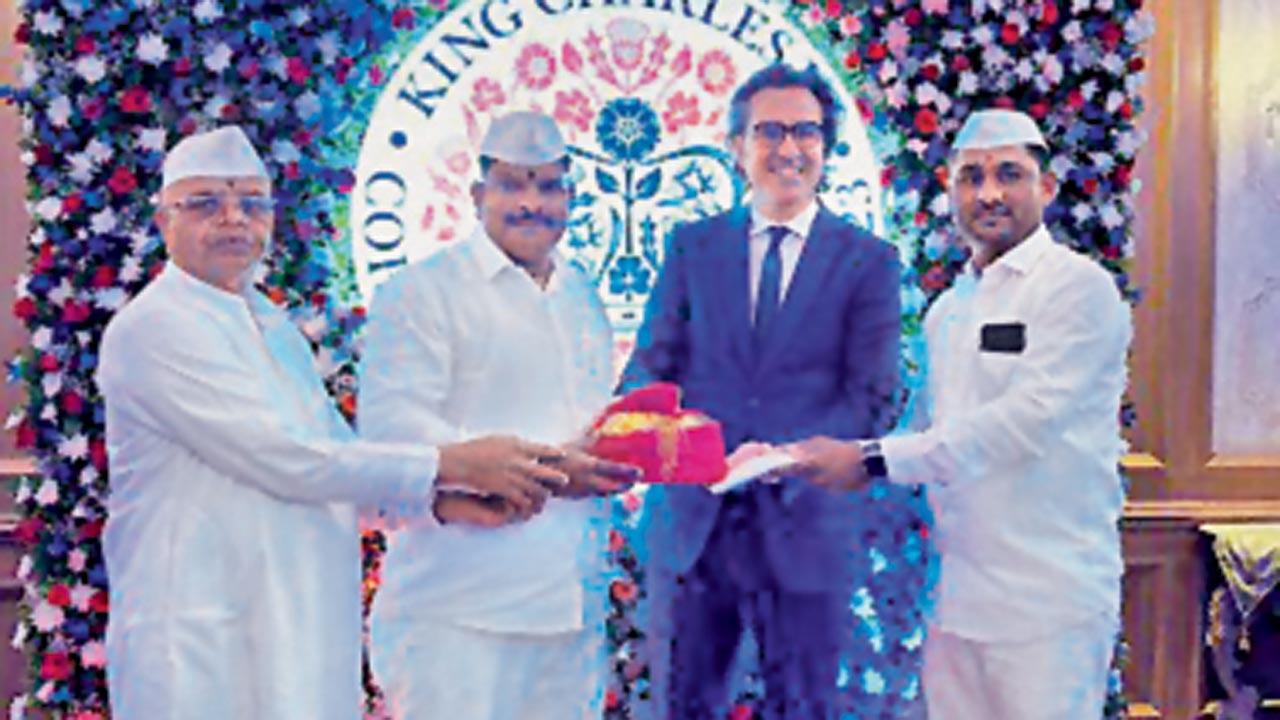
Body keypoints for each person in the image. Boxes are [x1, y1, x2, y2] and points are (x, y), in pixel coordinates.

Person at [97, 125, 570, 720]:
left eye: (251, 203)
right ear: (164, 221)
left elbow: (332, 461)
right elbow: (285, 459)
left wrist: (438, 503)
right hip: (200, 633)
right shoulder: (155, 328)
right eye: (205, 204)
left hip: (297, 625)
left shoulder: (270, 326)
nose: (233, 219)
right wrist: (452, 461)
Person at [787, 108, 1132, 719]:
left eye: (1008, 174)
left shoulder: (1078, 290)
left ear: (1045, 187)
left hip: (1049, 605)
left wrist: (867, 461)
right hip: (957, 601)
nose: (989, 193)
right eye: (970, 176)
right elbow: (928, 433)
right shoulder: (949, 309)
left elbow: (1022, 424)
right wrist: (798, 462)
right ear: (950, 191)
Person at [619, 63, 908, 719]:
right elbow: (652, 366)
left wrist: (783, 455)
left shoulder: (868, 261)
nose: (788, 148)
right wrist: (643, 431)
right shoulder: (693, 247)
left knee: (806, 708)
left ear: (827, 149)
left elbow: (873, 396)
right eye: (769, 131)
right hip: (695, 526)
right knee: (680, 708)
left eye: (805, 132)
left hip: (807, 527)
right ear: (737, 147)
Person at [359, 110, 639, 720]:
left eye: (548, 185)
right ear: (478, 194)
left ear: (569, 196)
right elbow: (390, 440)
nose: (531, 203)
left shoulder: (581, 297)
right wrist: (551, 468)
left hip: (571, 613)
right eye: (513, 184)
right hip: (457, 616)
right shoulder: (421, 292)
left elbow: (586, 433)